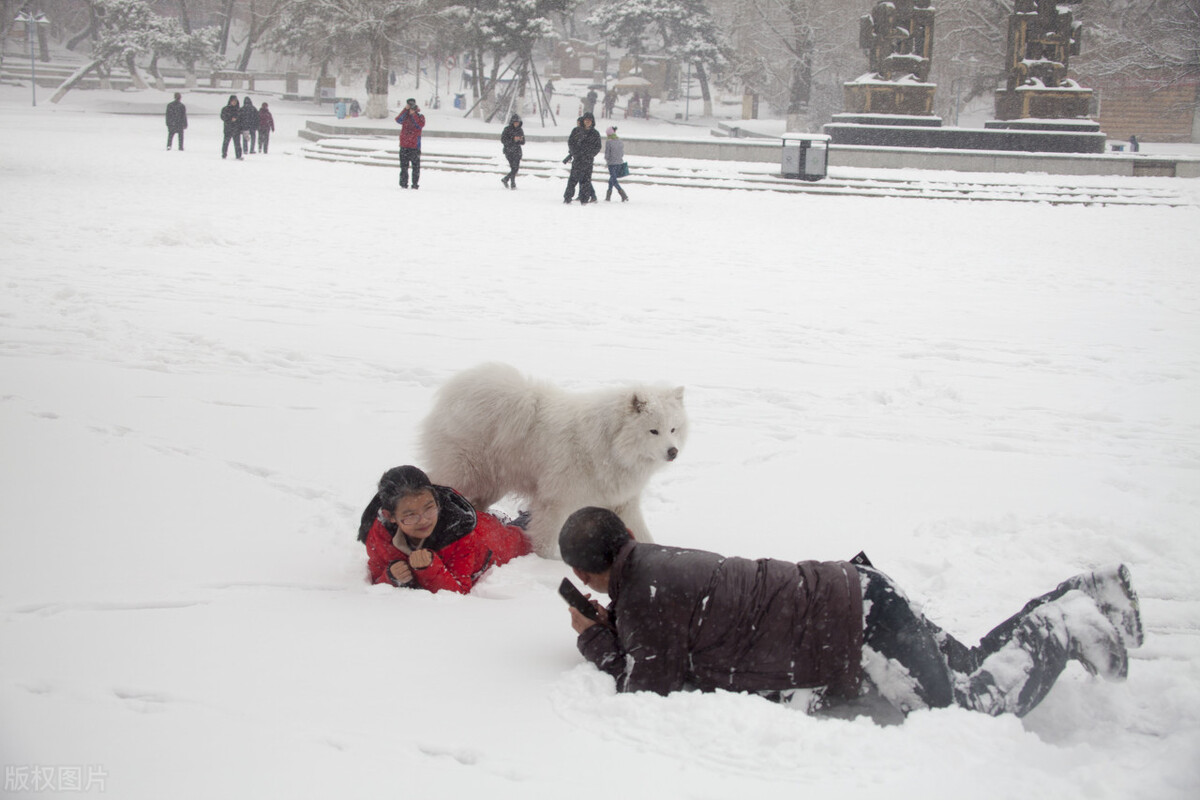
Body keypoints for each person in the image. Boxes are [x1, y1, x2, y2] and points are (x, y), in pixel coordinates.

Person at [560, 507, 1144, 720]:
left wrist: (595, 639)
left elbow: (647, 689)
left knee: (970, 709)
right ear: (628, 533)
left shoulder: (646, 603)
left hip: (859, 624)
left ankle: (1066, 626)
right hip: (858, 590)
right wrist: (619, 623)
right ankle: (1087, 592)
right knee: (965, 663)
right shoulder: (659, 564)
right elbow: (675, 623)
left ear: (587, 575)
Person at [358, 465, 533, 594]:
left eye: (429, 508)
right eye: (411, 515)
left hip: (489, 539)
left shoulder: (458, 530)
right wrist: (391, 576)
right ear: (390, 516)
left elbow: (459, 590)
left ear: (436, 499)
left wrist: (429, 567)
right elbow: (376, 576)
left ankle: (523, 517)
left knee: (527, 536)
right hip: (482, 525)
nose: (424, 520)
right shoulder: (379, 534)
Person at [563, 112, 601, 205]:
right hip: (578, 159)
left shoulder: (595, 133)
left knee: (586, 181)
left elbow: (598, 146)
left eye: (589, 121)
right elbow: (571, 143)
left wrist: (590, 154)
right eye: (586, 120)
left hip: (588, 160)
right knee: (573, 179)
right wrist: (576, 153)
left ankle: (584, 198)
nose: (587, 122)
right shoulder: (576, 131)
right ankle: (568, 197)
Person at [395, 98, 425, 189]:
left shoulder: (420, 116)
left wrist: (413, 114)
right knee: (403, 167)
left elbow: (419, 125)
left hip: (414, 146)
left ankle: (415, 184)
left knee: (416, 167)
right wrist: (405, 109)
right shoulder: (405, 116)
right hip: (404, 145)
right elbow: (398, 120)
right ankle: (403, 183)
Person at [603, 126, 628, 202]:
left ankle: (623, 194)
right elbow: (622, 153)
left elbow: (607, 154)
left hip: (611, 163)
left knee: (613, 180)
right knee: (612, 179)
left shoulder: (609, 142)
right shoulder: (620, 141)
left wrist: (607, 159)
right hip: (619, 162)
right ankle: (608, 196)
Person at [500, 113, 525, 189]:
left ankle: (506, 179)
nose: (516, 124)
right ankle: (512, 183)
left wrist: (520, 140)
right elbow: (503, 140)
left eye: (517, 123)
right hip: (509, 151)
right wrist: (513, 139)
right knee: (513, 167)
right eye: (515, 122)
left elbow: (523, 142)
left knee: (515, 168)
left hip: (517, 151)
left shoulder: (520, 130)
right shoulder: (507, 129)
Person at [220, 95, 242, 160]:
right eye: (233, 101)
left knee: (237, 143)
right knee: (226, 142)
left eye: (235, 101)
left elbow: (241, 119)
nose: (234, 102)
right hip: (228, 128)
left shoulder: (239, 110)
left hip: (237, 129)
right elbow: (222, 117)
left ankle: (238, 155)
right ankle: (224, 154)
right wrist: (230, 119)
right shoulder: (226, 109)